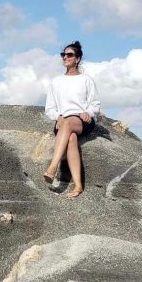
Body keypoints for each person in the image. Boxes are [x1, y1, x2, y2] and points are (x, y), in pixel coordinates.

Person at [43, 40, 100, 198]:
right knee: (71, 139)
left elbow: (95, 104)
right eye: (63, 55)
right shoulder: (56, 81)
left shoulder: (86, 80)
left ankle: (53, 167)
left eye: (69, 55)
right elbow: (50, 108)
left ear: (78, 59)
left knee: (69, 123)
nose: (65, 57)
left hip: (82, 121)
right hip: (63, 121)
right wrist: (57, 116)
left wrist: (88, 112)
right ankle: (78, 186)